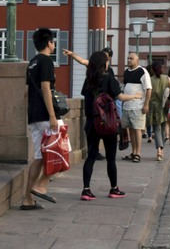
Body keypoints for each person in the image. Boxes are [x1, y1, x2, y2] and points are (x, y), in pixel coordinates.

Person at [80, 50, 143, 200]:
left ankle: (86, 190)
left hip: (91, 123)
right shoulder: (110, 79)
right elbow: (120, 96)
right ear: (104, 63)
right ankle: (114, 189)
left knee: (91, 156)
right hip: (108, 124)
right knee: (111, 158)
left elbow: (86, 97)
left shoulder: (88, 79)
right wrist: (135, 96)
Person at [20, 27, 59, 210]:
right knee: (60, 151)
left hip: (34, 115)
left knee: (38, 156)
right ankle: (40, 186)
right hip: (44, 114)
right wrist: (52, 115)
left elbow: (27, 93)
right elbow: (45, 88)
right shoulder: (46, 61)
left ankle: (28, 199)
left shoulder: (32, 62)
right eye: (53, 41)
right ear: (49, 43)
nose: (54, 44)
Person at [63, 45, 114, 159]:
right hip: (92, 105)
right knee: (91, 128)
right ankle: (93, 151)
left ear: (109, 58)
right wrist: (72, 54)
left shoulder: (110, 72)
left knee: (104, 128)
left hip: (104, 106)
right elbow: (82, 61)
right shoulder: (94, 67)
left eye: (105, 56)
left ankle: (98, 151)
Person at [121, 52, 152, 162]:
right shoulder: (126, 72)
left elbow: (148, 89)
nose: (129, 60)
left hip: (138, 106)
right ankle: (133, 152)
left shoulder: (142, 71)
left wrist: (146, 104)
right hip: (127, 106)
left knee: (137, 130)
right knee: (131, 130)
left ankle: (138, 153)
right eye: (128, 58)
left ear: (137, 60)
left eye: (131, 58)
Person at [148, 61, 170, 161]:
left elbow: (148, 94)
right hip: (165, 107)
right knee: (163, 129)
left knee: (157, 129)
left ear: (153, 70)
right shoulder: (167, 78)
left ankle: (159, 149)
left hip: (154, 107)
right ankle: (161, 150)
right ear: (161, 68)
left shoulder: (150, 80)